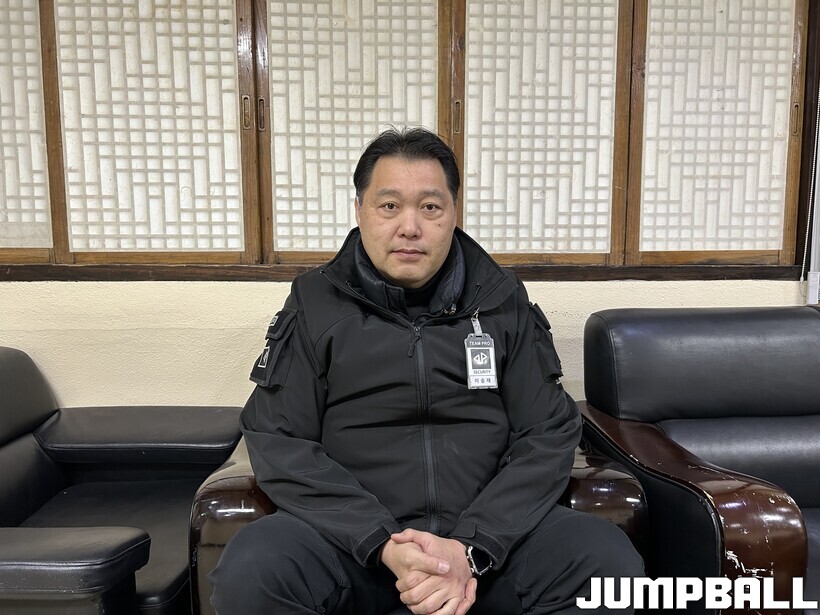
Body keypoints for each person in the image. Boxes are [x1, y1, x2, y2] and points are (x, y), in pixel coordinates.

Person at [210, 127, 643, 614]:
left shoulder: (500, 299)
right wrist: (379, 541)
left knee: (604, 561)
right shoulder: (315, 303)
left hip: (489, 551)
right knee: (255, 565)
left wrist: (472, 547)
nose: (410, 227)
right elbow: (278, 437)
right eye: (389, 206)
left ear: (454, 213)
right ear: (360, 211)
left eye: (430, 207)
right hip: (355, 551)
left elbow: (547, 432)